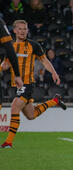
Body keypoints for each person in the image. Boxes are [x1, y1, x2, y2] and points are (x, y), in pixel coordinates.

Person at [1, 20, 66, 148]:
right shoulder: (10, 46)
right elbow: (6, 64)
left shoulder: (33, 45)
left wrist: (53, 72)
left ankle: (8, 142)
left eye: (25, 29)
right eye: (20, 29)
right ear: (14, 31)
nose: (23, 31)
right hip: (17, 85)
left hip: (28, 83)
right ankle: (54, 101)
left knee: (14, 106)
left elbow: (44, 60)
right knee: (31, 115)